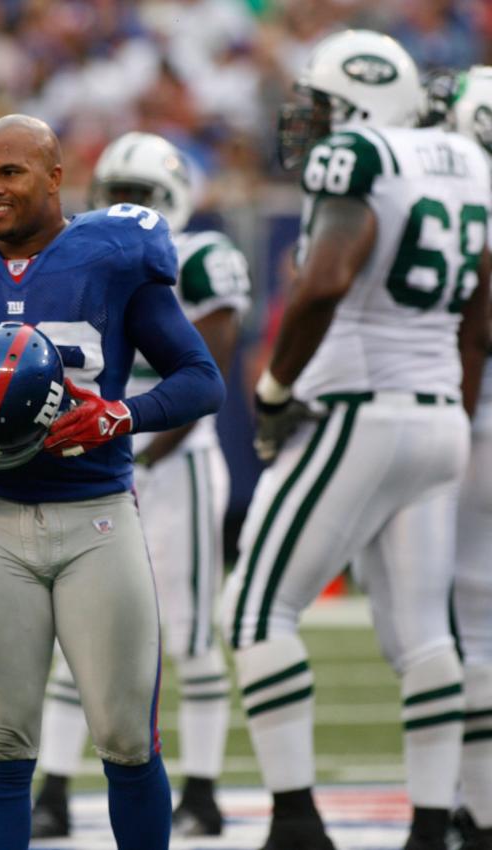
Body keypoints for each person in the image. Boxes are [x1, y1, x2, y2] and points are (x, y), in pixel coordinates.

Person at [0, 114, 225, 850]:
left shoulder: (114, 254)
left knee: (127, 740)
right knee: (1, 747)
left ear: (56, 177)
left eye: (10, 172)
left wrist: (117, 416)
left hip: (96, 516)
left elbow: (202, 380)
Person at [222, 30, 491, 850]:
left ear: (360, 104)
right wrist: (449, 407)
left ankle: (297, 822)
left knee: (256, 609)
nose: (304, 121)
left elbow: (328, 280)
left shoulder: (363, 158)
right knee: (426, 638)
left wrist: (274, 389)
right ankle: (435, 826)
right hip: (440, 416)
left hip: (357, 409)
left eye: (320, 104)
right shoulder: (469, 162)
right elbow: (478, 322)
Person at [29, 131, 250, 839]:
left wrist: (145, 456)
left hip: (170, 464)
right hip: (103, 460)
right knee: (76, 634)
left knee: (186, 633)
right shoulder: (83, 257)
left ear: (173, 199)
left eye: (139, 196)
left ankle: (204, 789)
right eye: (114, 194)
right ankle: (55, 789)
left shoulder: (203, 256)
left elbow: (203, 378)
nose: (124, 209)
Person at [438, 65, 492, 850]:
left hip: (474, 419)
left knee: (463, 616)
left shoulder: (465, 194)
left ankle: (474, 807)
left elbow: (474, 328)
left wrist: (461, 410)